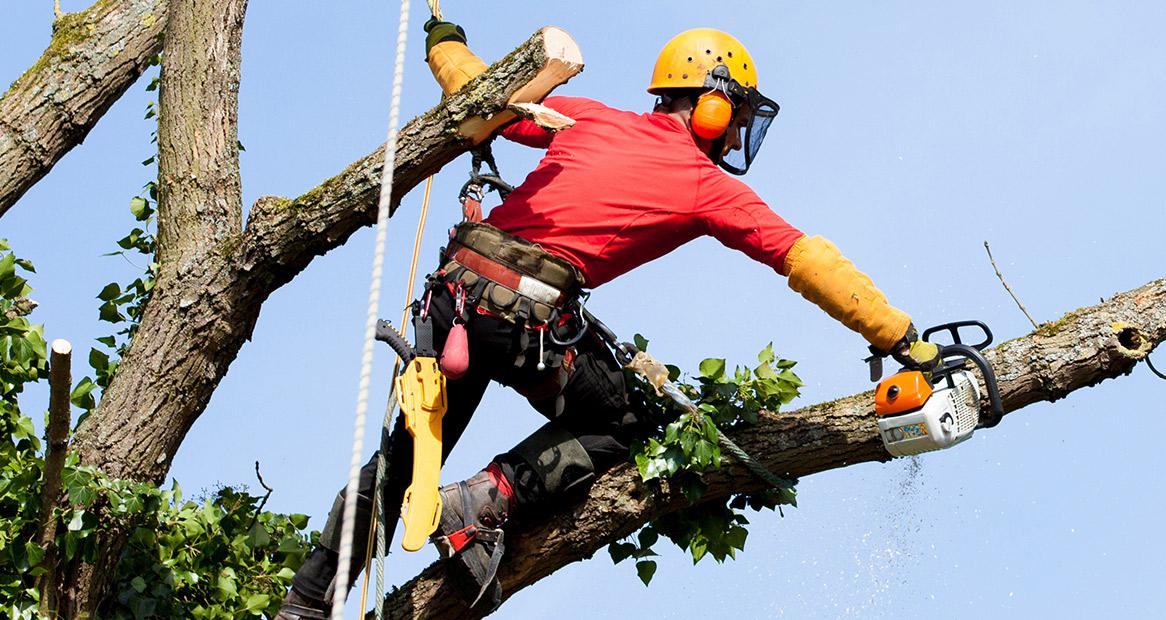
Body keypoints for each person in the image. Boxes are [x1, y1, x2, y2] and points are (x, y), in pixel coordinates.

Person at [274, 22, 937, 618]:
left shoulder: (587, 118)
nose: (736, 136)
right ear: (709, 102)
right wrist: (901, 336)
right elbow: (806, 258)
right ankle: (483, 500)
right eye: (734, 117)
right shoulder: (706, 185)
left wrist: (442, 41)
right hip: (524, 316)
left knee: (405, 458)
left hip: (455, 298)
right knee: (622, 422)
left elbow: (480, 94)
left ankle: (304, 604)